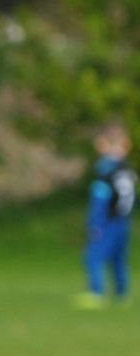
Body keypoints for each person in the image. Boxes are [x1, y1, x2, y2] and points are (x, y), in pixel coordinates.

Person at [79, 122, 133, 309]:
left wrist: (95, 223)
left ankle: (96, 293)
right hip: (124, 221)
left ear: (102, 144)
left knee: (93, 256)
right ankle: (122, 293)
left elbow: (100, 200)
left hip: (107, 222)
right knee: (119, 259)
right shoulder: (127, 170)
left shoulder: (106, 171)